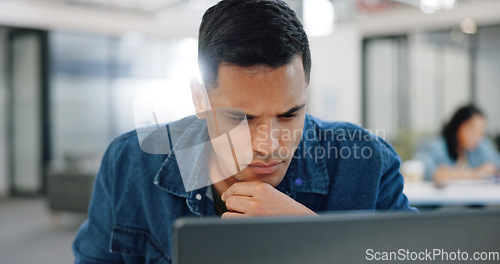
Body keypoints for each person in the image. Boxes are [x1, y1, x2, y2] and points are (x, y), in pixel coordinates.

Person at [73, 0, 416, 263]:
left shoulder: (367, 164)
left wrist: (315, 240)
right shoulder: (129, 163)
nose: (268, 145)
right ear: (199, 99)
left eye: (289, 114)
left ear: (306, 88)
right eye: (241, 118)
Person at [413, 105, 500, 184]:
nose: (477, 137)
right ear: (458, 126)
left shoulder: (480, 146)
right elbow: (426, 171)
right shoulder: (435, 146)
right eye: (473, 130)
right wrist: (474, 174)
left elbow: (495, 165)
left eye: (481, 133)